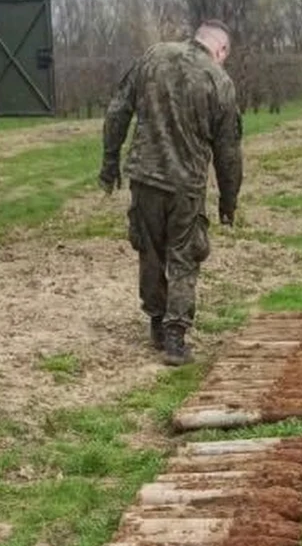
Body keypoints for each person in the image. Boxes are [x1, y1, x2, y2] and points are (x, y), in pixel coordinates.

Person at [98, 19, 244, 366]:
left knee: (149, 252)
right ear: (220, 49)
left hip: (144, 179)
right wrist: (228, 199)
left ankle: (155, 322)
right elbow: (228, 152)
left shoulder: (153, 57)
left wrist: (109, 161)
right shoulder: (218, 81)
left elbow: (117, 111)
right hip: (186, 187)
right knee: (183, 256)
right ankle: (175, 337)